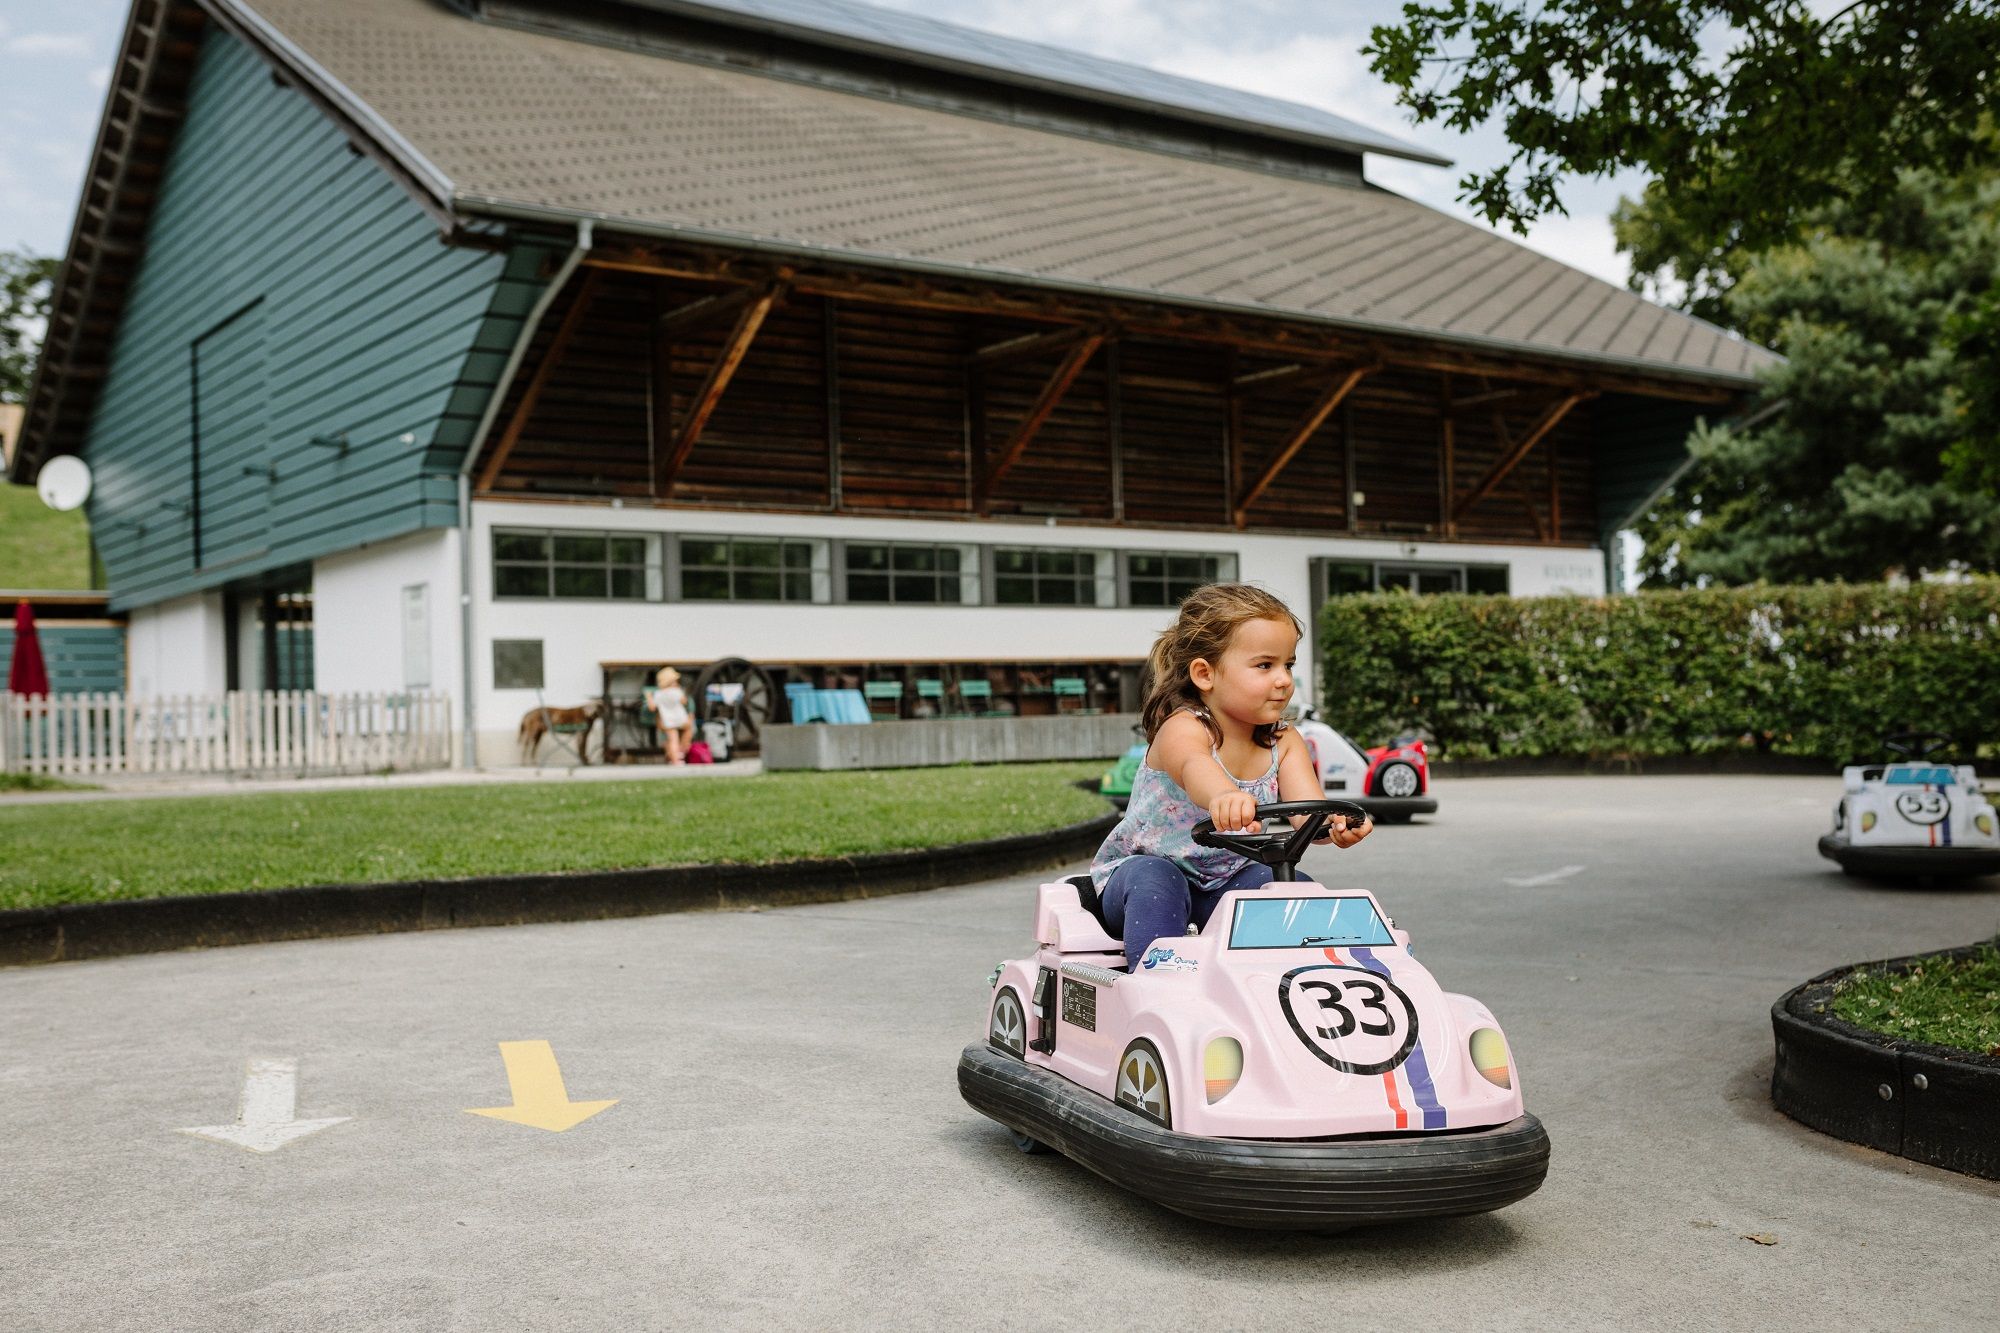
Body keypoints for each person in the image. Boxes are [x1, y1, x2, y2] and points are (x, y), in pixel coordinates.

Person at [1090, 583, 1372, 964]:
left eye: (1287, 664)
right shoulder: (1184, 728)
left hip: (1225, 882)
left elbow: (1308, 815)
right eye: (1264, 665)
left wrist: (1335, 826)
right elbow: (1195, 767)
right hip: (1138, 880)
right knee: (1158, 879)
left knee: (1292, 888)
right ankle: (1158, 982)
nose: (1284, 679)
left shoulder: (1285, 741)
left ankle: (1320, 977)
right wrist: (1222, 795)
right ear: (1205, 675)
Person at [648, 665, 694, 765]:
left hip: (667, 720)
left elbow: (652, 707)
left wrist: (649, 698)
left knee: (673, 739)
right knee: (689, 729)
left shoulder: (658, 694)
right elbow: (684, 702)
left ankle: (675, 759)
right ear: (672, 682)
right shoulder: (677, 692)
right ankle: (681, 752)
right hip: (680, 718)